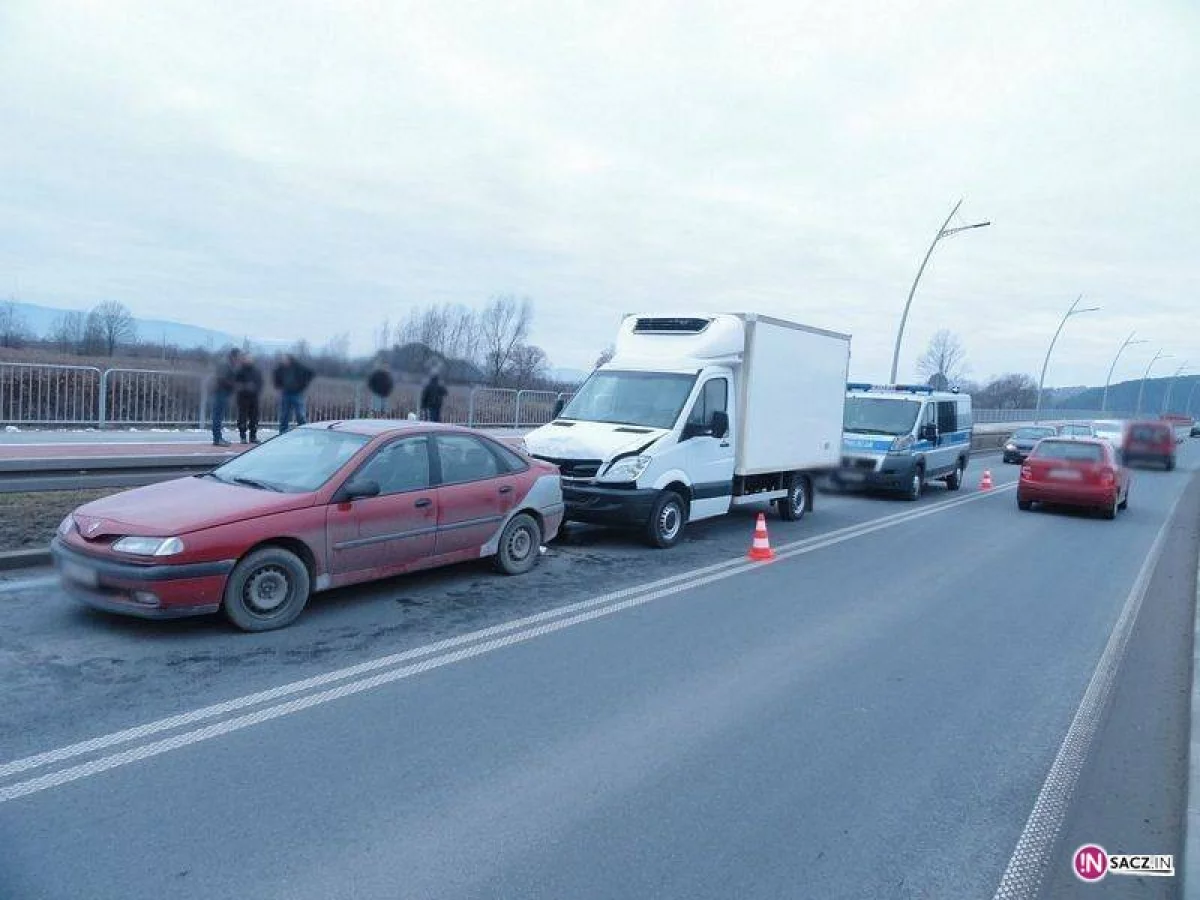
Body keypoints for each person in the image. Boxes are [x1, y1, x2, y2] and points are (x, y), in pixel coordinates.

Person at [273, 353, 314, 434]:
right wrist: (279, 386)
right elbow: (276, 376)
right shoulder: (280, 369)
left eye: (285, 359)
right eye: (283, 359)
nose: (284, 361)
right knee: (284, 415)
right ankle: (283, 432)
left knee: (300, 414)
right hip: (286, 393)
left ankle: (303, 431)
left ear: (290, 360)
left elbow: (310, 373)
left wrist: (302, 386)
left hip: (297, 394)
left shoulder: (298, 367)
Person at [210, 348, 242, 447]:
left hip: (223, 392)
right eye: (238, 357)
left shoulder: (229, 364)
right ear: (234, 356)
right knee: (217, 416)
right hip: (221, 392)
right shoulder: (225, 364)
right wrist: (234, 385)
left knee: (218, 416)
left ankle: (218, 438)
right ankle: (217, 438)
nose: (239, 359)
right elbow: (222, 379)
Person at [234, 353, 264, 444]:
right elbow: (235, 384)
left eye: (250, 359)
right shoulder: (239, 371)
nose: (248, 360)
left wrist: (256, 388)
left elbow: (260, 383)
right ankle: (243, 436)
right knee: (242, 418)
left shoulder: (256, 371)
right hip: (243, 398)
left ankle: (253, 436)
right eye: (246, 359)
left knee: (254, 418)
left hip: (254, 398)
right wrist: (245, 387)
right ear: (243, 360)